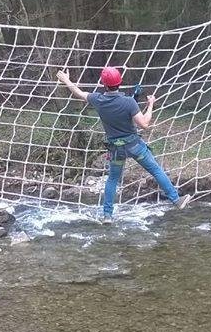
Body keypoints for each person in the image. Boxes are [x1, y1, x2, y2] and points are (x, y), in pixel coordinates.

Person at [56, 67, 191, 223]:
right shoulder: (128, 101)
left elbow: (78, 93)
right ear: (120, 83)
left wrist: (66, 80)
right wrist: (151, 104)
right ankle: (176, 200)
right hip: (135, 146)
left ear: (103, 84)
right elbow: (145, 124)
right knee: (155, 170)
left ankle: (107, 215)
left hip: (116, 149)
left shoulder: (98, 100)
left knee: (112, 179)